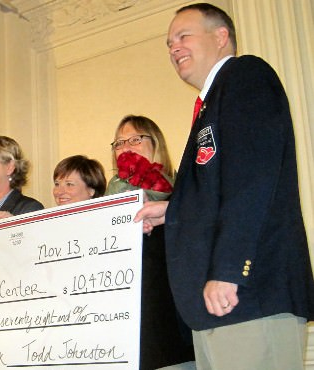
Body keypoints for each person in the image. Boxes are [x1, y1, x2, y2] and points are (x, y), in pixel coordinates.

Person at [135, 3, 314, 368]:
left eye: (183, 36)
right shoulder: (210, 103)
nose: (174, 48)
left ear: (221, 37)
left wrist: (230, 270)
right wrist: (173, 209)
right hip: (218, 306)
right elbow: (222, 180)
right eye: (169, 43)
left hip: (249, 295)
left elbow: (252, 178)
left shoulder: (245, 75)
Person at [107, 115, 194, 370]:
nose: (126, 147)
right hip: (129, 319)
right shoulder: (110, 196)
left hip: (174, 312)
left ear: (156, 143)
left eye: (135, 139)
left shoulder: (186, 189)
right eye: (119, 143)